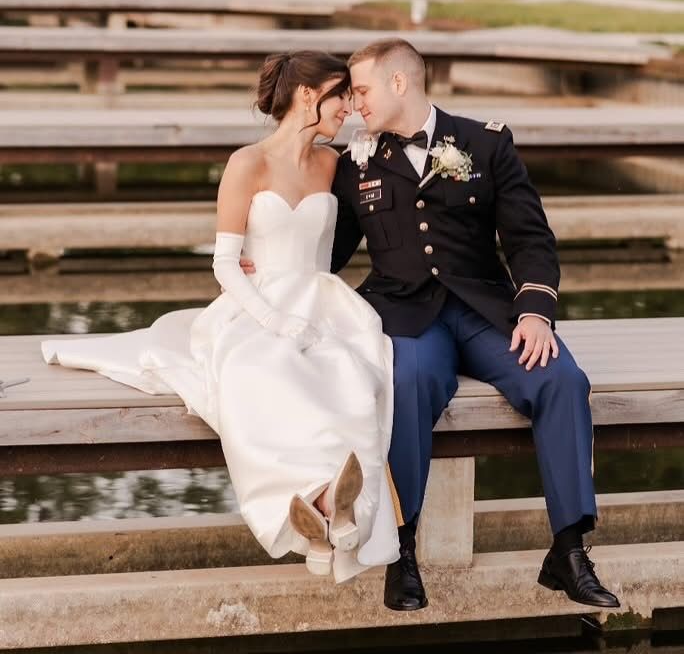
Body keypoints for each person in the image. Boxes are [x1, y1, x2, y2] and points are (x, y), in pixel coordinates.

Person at [41, 50, 400, 584]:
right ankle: (326, 505)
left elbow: (388, 202)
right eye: (341, 94)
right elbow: (224, 263)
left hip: (323, 301)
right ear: (308, 96)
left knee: (350, 376)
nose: (348, 106)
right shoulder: (246, 164)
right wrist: (275, 319)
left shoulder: (337, 164)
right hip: (256, 304)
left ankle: (330, 512)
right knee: (258, 372)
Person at [328, 37, 621, 612]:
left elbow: (531, 239)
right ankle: (401, 549)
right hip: (406, 315)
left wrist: (536, 310)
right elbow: (330, 250)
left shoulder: (486, 143)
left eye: (360, 88)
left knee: (561, 379)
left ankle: (569, 549)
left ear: (398, 83)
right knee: (408, 384)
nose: (354, 102)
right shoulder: (355, 162)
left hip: (487, 313)